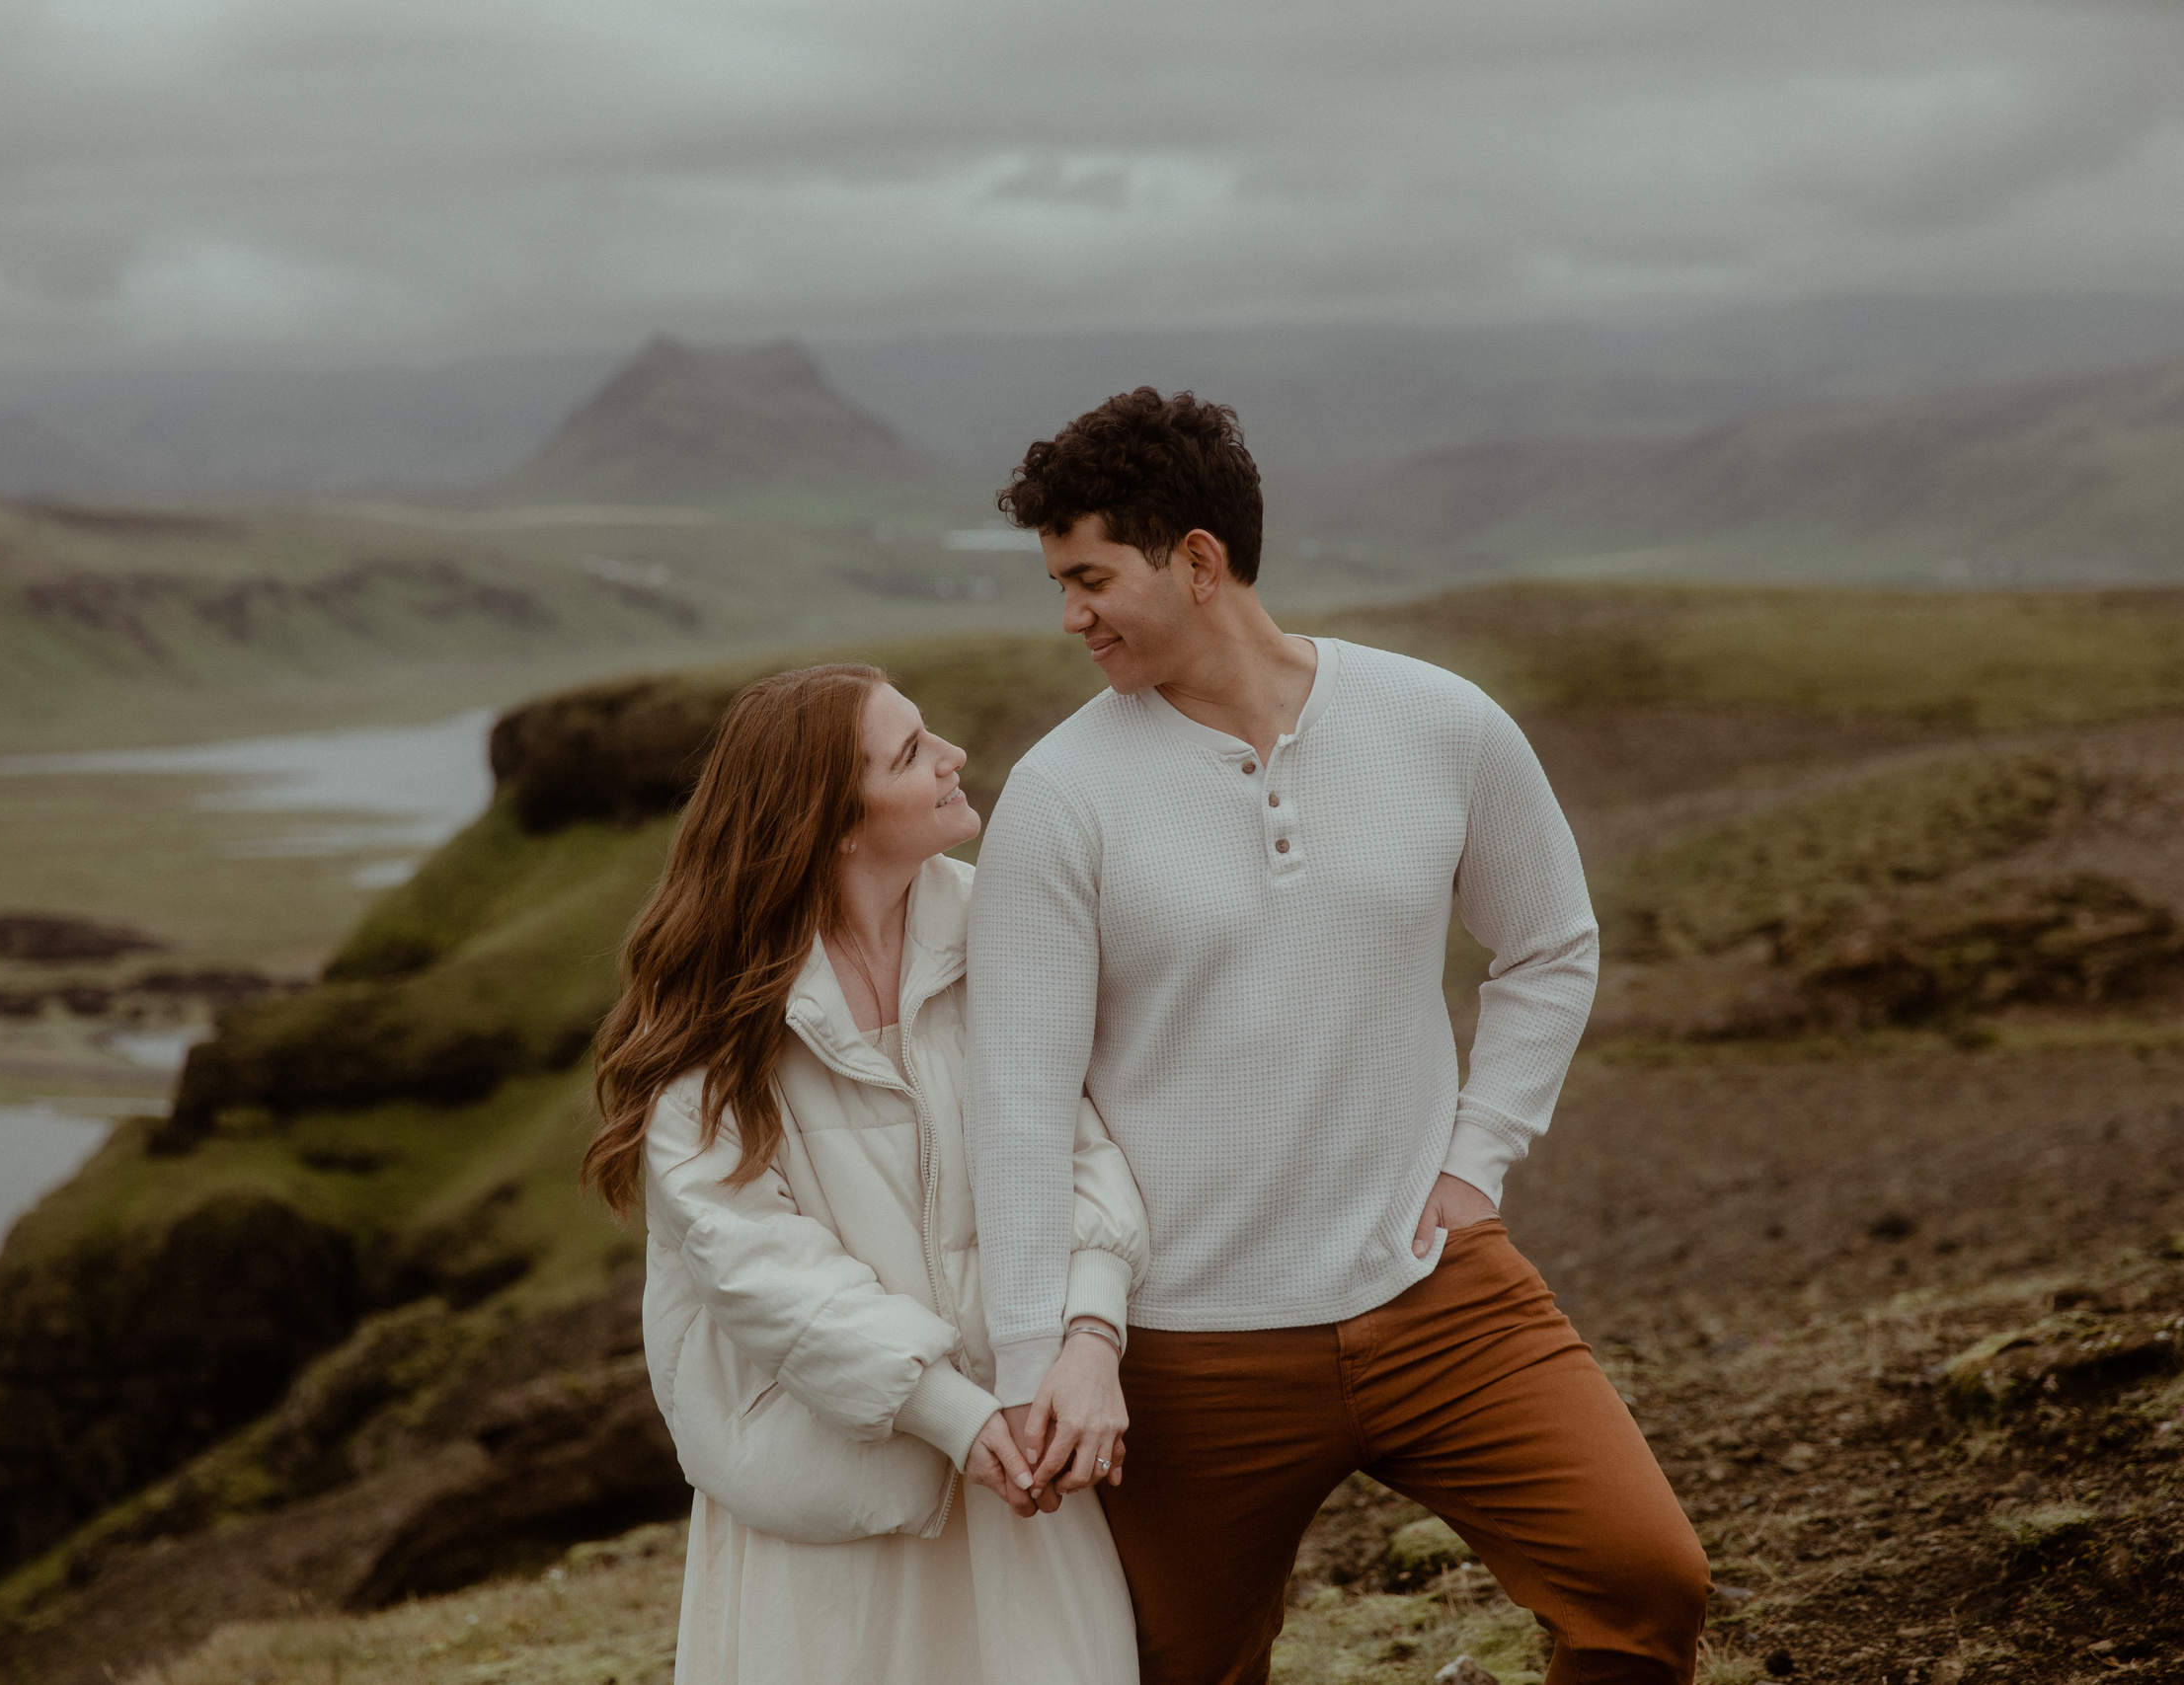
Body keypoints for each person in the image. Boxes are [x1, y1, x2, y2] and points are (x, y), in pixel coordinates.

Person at [968, 389, 1711, 1684]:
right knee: (1164, 1670)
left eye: (1091, 577)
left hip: (1439, 1297)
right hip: (1189, 1351)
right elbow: (1021, 1097)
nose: (1071, 614)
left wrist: (1478, 1159)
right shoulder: (1059, 795)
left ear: (1199, 560)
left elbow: (1549, 941)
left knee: (1646, 1585)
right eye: (1057, 583)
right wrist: (1046, 1356)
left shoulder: (1439, 719)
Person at [582, 662, 1146, 1685]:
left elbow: (1089, 1144)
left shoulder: (1005, 928)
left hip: (1023, 1444)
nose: (953, 759)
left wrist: (1089, 1339)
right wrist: (949, 1414)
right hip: (832, 1477)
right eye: (911, 752)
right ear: (836, 824)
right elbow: (751, 1262)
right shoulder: (710, 1017)